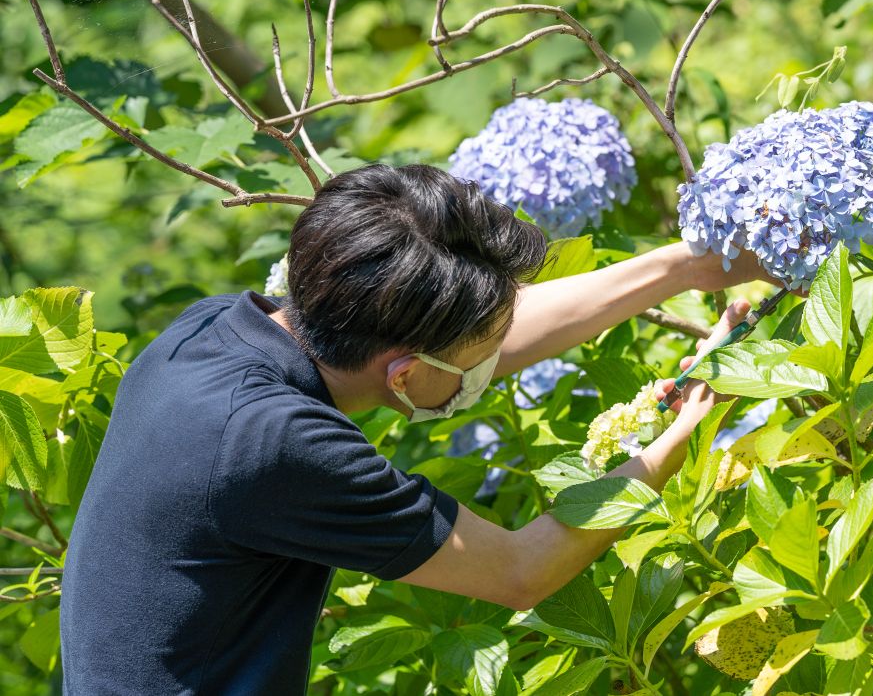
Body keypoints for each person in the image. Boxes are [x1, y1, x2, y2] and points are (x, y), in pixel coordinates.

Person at [60, 163, 762, 694]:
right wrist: (684, 431)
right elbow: (522, 570)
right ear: (403, 375)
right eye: (477, 352)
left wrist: (686, 266)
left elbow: (474, 340)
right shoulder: (275, 444)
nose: (491, 358)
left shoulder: (211, 331)